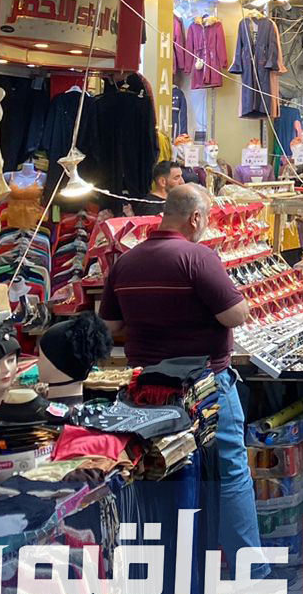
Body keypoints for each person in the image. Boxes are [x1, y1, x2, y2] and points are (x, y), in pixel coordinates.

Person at [99, 184, 264, 567]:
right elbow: (235, 315)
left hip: (145, 387)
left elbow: (109, 325)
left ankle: (175, 567)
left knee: (163, 471)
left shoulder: (126, 261)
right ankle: (249, 568)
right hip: (204, 385)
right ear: (195, 218)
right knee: (229, 469)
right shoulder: (198, 257)